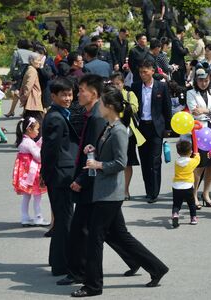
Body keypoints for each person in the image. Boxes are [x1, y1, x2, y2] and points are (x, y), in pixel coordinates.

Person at [70, 86, 169, 297]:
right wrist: (93, 150)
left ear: (111, 107)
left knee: (94, 237)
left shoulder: (119, 130)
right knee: (119, 235)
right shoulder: (109, 127)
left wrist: (98, 165)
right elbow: (108, 154)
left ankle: (93, 285)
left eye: (103, 103)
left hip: (110, 194)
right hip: (106, 192)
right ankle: (157, 267)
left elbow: (120, 162)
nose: (100, 107)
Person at [63, 74, 139, 286]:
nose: (78, 94)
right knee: (115, 232)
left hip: (96, 183)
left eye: (81, 90)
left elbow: (102, 159)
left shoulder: (99, 118)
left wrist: (81, 179)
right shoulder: (92, 114)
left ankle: (80, 273)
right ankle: (139, 261)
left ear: (94, 94)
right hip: (97, 183)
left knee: (84, 231)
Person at [41, 77, 79, 276]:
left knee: (63, 218)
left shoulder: (61, 113)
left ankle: (55, 259)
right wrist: (45, 173)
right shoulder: (56, 117)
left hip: (60, 172)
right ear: (53, 96)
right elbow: (50, 150)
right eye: (63, 95)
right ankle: (60, 264)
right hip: (60, 174)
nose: (67, 98)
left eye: (70, 94)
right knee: (64, 220)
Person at [131, 60, 172, 202]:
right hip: (141, 127)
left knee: (155, 160)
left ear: (152, 71)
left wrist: (168, 128)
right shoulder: (135, 86)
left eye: (145, 71)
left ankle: (154, 192)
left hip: (156, 128)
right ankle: (148, 190)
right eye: (140, 72)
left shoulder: (161, 86)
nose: (142, 74)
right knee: (144, 160)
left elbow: (167, 108)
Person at [187, 67, 211, 208]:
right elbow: (194, 112)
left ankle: (206, 193)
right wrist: (205, 112)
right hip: (199, 132)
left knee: (210, 165)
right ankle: (193, 194)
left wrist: (205, 110)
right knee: (199, 165)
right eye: (200, 80)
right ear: (196, 80)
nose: (203, 83)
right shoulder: (190, 93)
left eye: (206, 80)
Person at [109, 72, 144, 201]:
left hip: (128, 132)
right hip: (112, 131)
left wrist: (121, 107)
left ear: (123, 83)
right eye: (113, 84)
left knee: (127, 162)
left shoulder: (130, 94)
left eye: (118, 84)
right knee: (112, 160)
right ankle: (114, 189)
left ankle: (125, 190)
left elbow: (135, 107)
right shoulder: (108, 96)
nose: (116, 86)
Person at [12, 117, 48, 226]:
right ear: (29, 130)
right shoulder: (29, 142)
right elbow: (38, 157)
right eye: (37, 129)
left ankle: (25, 217)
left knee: (26, 196)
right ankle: (38, 217)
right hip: (31, 173)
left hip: (24, 173)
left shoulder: (24, 141)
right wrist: (42, 147)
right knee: (37, 195)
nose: (38, 132)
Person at [171, 140, 200, 228]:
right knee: (191, 203)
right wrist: (197, 153)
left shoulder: (176, 162)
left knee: (176, 204)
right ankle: (193, 218)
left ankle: (175, 214)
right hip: (187, 186)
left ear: (178, 152)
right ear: (190, 151)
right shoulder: (191, 162)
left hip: (176, 186)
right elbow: (198, 160)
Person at [6, 39, 34, 118]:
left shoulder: (17, 52)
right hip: (30, 74)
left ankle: (11, 111)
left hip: (20, 75)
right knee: (27, 93)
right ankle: (24, 111)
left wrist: (12, 74)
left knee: (16, 93)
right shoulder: (31, 53)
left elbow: (13, 66)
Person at [20, 53, 44, 123]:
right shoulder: (32, 71)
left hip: (31, 101)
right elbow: (28, 86)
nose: (40, 62)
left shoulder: (30, 69)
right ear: (32, 61)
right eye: (38, 60)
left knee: (29, 121)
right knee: (37, 122)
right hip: (33, 100)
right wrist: (24, 98)